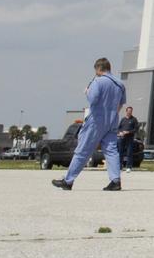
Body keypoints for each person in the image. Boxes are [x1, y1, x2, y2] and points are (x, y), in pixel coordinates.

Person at [51, 57, 126, 192]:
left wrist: (87, 91)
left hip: (96, 121)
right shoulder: (120, 84)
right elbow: (121, 103)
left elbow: (93, 99)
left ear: (98, 69)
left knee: (83, 150)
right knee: (111, 151)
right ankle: (115, 180)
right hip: (113, 120)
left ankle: (68, 180)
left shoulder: (98, 81)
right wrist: (113, 115)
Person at [116, 106, 139, 170]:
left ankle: (128, 166)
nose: (130, 112)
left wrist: (128, 132)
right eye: (129, 111)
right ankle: (120, 166)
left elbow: (136, 129)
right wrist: (120, 132)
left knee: (129, 152)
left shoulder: (134, 119)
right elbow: (118, 128)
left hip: (130, 138)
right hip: (122, 138)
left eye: (131, 111)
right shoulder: (123, 119)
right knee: (120, 152)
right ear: (126, 111)